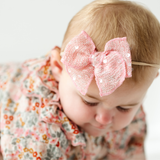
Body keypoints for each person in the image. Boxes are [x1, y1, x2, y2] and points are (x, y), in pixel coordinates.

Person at [0, 0, 160, 159]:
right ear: (58, 67)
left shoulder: (125, 102)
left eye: (124, 108)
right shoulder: (40, 129)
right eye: (90, 102)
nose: (104, 119)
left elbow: (131, 152)